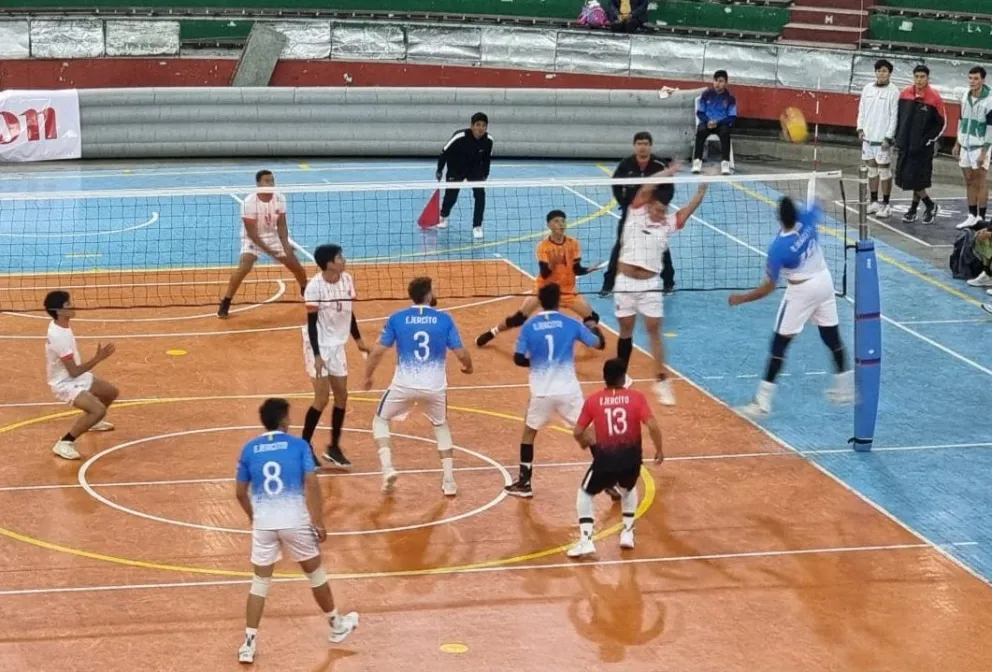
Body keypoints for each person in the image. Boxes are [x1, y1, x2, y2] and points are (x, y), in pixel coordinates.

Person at [235, 398, 359, 664]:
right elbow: (312, 484)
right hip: (294, 521)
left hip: (264, 524)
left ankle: (248, 643)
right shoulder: (299, 446)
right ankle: (336, 625)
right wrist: (319, 521)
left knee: (259, 583)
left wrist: (254, 517)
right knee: (315, 574)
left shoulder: (249, 449)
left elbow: (240, 493)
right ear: (283, 420)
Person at [728, 197, 853, 418]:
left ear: (779, 219)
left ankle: (762, 403)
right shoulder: (807, 220)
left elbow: (768, 287)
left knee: (779, 344)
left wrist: (742, 298)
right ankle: (845, 388)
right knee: (831, 336)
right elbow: (819, 203)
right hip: (824, 283)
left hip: (801, 292)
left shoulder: (778, 248)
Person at [362, 276, 473, 495]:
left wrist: (367, 376)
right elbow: (461, 353)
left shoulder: (397, 318)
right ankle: (449, 481)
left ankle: (387, 468)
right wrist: (468, 366)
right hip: (434, 387)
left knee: (380, 420)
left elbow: (377, 352)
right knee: (440, 426)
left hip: (403, 385)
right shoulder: (444, 320)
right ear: (428, 295)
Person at [614, 162, 710, 406]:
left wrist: (703, 186)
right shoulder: (636, 210)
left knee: (654, 329)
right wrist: (669, 171)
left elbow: (690, 208)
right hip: (625, 283)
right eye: (657, 208)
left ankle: (661, 381)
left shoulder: (668, 223)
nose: (660, 213)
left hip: (650, 285)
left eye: (663, 210)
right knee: (626, 329)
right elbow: (647, 186)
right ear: (649, 204)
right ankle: (620, 378)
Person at [504, 283, 607, 498]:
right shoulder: (571, 323)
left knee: (529, 433)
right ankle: (609, 481)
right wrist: (593, 328)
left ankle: (525, 483)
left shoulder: (529, 326)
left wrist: (536, 362)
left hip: (542, 391)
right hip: (568, 390)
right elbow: (599, 344)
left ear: (540, 302)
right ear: (559, 301)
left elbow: (518, 358)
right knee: (588, 432)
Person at [566, 358, 664, 558]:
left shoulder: (593, 401)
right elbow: (653, 426)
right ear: (623, 378)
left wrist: (584, 442)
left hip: (606, 460)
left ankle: (586, 540)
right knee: (628, 488)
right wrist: (659, 450)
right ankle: (627, 532)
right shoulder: (636, 398)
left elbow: (578, 431)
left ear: (604, 377)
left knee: (585, 494)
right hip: (631, 459)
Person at [476, 209, 602, 347]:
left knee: (592, 317)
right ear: (549, 225)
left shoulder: (573, 243)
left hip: (566, 291)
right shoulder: (543, 246)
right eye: (556, 221)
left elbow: (576, 269)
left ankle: (581, 335)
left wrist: (588, 270)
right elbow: (545, 273)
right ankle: (493, 332)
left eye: (563, 221)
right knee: (519, 319)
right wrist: (553, 264)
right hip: (544, 290)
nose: (561, 224)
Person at [300, 244, 371, 470]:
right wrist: (317, 355)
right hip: (318, 345)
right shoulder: (314, 288)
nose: (344, 260)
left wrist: (358, 341)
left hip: (337, 345)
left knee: (342, 396)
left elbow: (349, 313)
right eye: (340, 257)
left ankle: (334, 448)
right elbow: (312, 324)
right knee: (322, 398)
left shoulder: (347, 279)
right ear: (329, 263)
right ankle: (304, 447)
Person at [218, 169, 308, 318]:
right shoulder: (249, 203)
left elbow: (282, 225)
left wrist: (285, 245)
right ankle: (226, 301)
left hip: (273, 236)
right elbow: (252, 234)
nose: (271, 184)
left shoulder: (279, 198)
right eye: (267, 181)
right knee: (244, 266)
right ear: (258, 184)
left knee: (297, 267)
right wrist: (271, 253)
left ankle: (305, 291)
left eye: (272, 180)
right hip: (252, 238)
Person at [43, 291, 119, 461]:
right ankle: (65, 442)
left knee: (110, 393)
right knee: (98, 410)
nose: (72, 306)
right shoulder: (58, 337)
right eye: (68, 304)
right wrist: (98, 358)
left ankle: (93, 421)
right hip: (65, 383)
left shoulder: (61, 324)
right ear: (59, 311)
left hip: (76, 377)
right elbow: (74, 372)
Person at [602, 132, 675, 296]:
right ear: (635, 146)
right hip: (631, 214)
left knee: (660, 247)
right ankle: (608, 285)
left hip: (653, 215)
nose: (642, 147)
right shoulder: (626, 164)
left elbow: (669, 188)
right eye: (639, 144)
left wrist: (659, 203)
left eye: (645, 144)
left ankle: (669, 282)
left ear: (650, 145)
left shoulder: (659, 164)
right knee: (620, 246)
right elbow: (616, 184)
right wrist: (623, 203)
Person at [894, 65, 947, 225]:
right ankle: (917, 209)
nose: (919, 80)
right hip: (905, 146)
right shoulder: (905, 94)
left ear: (928, 78)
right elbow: (898, 117)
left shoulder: (934, 97)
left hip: (922, 149)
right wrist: (898, 138)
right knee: (909, 179)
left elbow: (942, 123)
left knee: (915, 179)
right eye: (916, 76)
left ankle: (927, 206)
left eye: (922, 77)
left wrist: (927, 141)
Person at [435, 112, 494, 241]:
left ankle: (477, 226)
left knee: (480, 195)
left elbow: (487, 159)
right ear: (472, 126)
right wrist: (439, 170)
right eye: (478, 125)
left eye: (484, 125)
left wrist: (485, 174)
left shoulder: (489, 140)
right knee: (451, 196)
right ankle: (443, 216)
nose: (481, 128)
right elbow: (444, 152)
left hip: (474, 169)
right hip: (456, 168)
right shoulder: (459, 136)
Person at [856, 59, 899, 219]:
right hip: (868, 138)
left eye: (884, 71)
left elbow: (894, 116)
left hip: (883, 140)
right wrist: (860, 128)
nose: (881, 74)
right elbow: (861, 110)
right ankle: (874, 202)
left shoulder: (893, 92)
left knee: (884, 171)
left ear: (889, 73)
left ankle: (886, 205)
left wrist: (888, 137)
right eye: (879, 71)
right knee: (872, 170)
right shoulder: (867, 88)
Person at [953, 66, 992, 230]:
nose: (972, 81)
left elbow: (990, 128)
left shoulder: (989, 100)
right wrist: (957, 142)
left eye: (976, 78)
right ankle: (971, 215)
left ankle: (981, 218)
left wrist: (984, 151)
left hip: (980, 146)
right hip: (965, 145)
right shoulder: (965, 96)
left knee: (980, 181)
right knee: (969, 181)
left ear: (983, 80)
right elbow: (961, 120)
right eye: (970, 78)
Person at [692, 70, 737, 176]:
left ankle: (725, 163)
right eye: (716, 81)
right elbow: (700, 112)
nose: (717, 83)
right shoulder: (706, 94)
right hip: (707, 122)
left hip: (722, 124)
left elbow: (732, 116)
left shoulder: (730, 98)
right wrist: (708, 121)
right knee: (700, 131)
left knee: (725, 133)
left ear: (726, 83)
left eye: (721, 81)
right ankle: (697, 161)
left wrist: (718, 122)